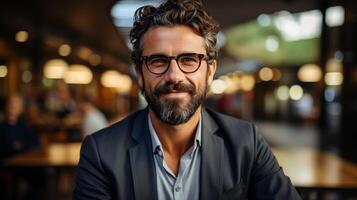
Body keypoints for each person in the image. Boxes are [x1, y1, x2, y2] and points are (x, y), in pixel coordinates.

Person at [74, 0, 301, 199]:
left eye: (189, 59)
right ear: (140, 74)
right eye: (158, 61)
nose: (174, 75)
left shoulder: (246, 143)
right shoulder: (101, 152)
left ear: (210, 71)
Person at [0, 94, 40, 160]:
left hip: (23, 161)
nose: (12, 107)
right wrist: (13, 147)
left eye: (16, 105)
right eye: (11, 104)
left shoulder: (24, 127)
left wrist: (21, 146)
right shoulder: (2, 128)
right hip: (7, 164)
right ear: (6, 106)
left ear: (20, 109)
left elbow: (36, 142)